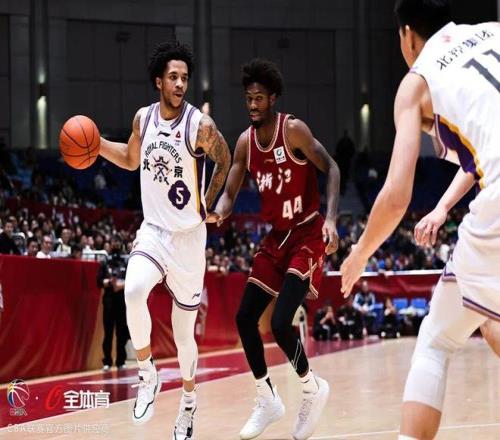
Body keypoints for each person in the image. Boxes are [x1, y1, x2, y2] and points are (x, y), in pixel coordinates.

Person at [340, 1, 500, 438]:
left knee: (438, 338)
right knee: (480, 316)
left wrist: (360, 253)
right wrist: (445, 206)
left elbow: (396, 196)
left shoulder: (416, 82)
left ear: (407, 34)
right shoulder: (491, 31)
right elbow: (481, 154)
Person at [97, 40, 230, 439]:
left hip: (189, 238)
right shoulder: (143, 119)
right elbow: (130, 159)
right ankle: (147, 373)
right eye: (173, 77)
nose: (180, 84)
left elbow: (224, 158)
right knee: (133, 290)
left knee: (183, 333)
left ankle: (188, 403)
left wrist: (209, 202)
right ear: (158, 81)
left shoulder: (200, 126)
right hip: (154, 231)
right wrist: (97, 144)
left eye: (184, 78)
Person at [208, 58, 340, 440]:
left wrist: (332, 220)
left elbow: (331, 168)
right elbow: (230, 192)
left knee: (281, 323)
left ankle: (312, 388)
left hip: (307, 233)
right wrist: (218, 211)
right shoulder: (245, 143)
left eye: (259, 98)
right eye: (248, 98)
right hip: (276, 238)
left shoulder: (293, 130)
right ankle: (267, 398)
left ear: (273, 99)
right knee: (245, 318)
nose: (252, 105)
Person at [97, 235, 129, 371]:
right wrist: (110, 282)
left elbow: (132, 279)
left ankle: (121, 361)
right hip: (109, 300)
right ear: (110, 244)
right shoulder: (105, 261)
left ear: (121, 243)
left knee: (121, 332)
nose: (115, 244)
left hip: (122, 299)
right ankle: (107, 361)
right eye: (113, 242)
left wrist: (121, 285)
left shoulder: (126, 261)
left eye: (117, 241)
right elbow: (99, 281)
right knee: (108, 332)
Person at [335, 129, 356, 195]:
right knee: (343, 175)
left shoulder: (349, 142)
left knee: (345, 175)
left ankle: (344, 188)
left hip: (347, 161)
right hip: (342, 162)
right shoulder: (341, 142)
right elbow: (337, 150)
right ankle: (342, 189)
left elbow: (352, 150)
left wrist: (349, 156)